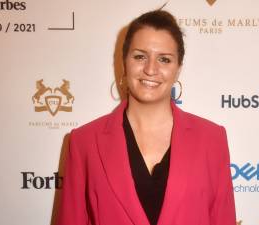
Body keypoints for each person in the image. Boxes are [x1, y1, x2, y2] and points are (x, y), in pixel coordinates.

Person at [57, 9, 236, 225]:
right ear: (124, 62)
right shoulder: (84, 141)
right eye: (140, 56)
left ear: (178, 69)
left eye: (164, 59)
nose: (151, 69)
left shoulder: (212, 139)